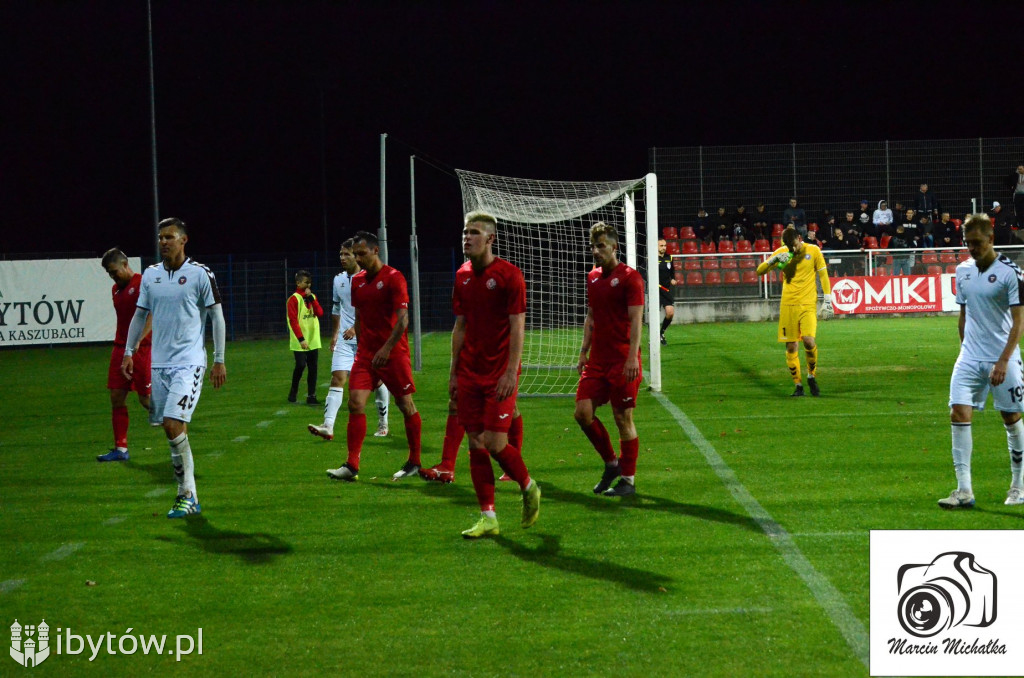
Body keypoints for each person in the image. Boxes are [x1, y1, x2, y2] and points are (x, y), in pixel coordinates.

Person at [442, 211, 539, 538]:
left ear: (490, 239)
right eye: (464, 232)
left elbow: (517, 326)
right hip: (469, 372)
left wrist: (512, 370)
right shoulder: (462, 276)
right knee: (475, 442)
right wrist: (453, 372)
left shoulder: (509, 275)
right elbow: (460, 325)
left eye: (473, 233)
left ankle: (528, 487)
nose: (466, 238)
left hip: (499, 372)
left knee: (497, 443)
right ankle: (488, 517)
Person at [121, 218, 226, 518]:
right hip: (159, 364)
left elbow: (217, 317)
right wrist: (130, 352)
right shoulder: (151, 276)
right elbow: (140, 316)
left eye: (169, 237)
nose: (163, 242)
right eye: (160, 238)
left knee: (171, 423)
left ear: (184, 240)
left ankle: (188, 494)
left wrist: (219, 358)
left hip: (189, 362)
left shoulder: (200, 274)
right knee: (173, 428)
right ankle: (186, 494)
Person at [939, 214, 1024, 509]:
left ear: (991, 239)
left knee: (1011, 418)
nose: (972, 248)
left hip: (1003, 358)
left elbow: (1018, 322)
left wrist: (1002, 361)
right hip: (969, 357)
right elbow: (964, 314)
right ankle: (964, 491)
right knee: (958, 414)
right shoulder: (962, 271)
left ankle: (1018, 485)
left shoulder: (1010, 273)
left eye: (977, 243)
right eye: (968, 243)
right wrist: (965, 350)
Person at [325, 231, 421, 482]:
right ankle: (351, 466)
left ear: (376, 251)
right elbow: (359, 316)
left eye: (362, 254)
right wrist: (360, 341)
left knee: (405, 405)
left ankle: (414, 461)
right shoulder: (358, 282)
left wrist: (386, 349)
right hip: (366, 355)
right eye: (355, 254)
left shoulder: (394, 278)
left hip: (393, 354)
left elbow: (403, 320)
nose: (358, 258)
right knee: (355, 403)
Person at [575, 222, 645, 497]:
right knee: (582, 413)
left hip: (622, 360)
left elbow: (637, 320)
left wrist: (632, 358)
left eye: (601, 246)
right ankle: (612, 464)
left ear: (615, 247)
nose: (595, 251)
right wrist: (583, 351)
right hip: (598, 361)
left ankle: (628, 479)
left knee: (622, 417)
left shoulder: (631, 278)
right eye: (593, 246)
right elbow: (591, 316)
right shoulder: (592, 277)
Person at [308, 239, 389, 442]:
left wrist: (356, 328)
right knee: (337, 378)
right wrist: (335, 333)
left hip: (368, 338)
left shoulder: (370, 279)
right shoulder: (338, 280)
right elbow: (337, 308)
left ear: (357, 255)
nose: (342, 258)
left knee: (377, 381)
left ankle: (383, 422)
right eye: (341, 254)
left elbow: (376, 310)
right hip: (345, 339)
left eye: (347, 254)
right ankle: (328, 425)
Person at [755, 226, 832, 397]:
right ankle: (798, 385)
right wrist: (772, 261)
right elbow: (759, 271)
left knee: (809, 341)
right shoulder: (783, 252)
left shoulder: (813, 250)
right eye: (789, 247)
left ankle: (811, 376)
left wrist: (828, 299)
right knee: (791, 347)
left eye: (794, 245)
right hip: (788, 305)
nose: (793, 249)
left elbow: (823, 275)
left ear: (799, 237)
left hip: (807, 304)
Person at [97, 248, 152, 462]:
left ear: (126, 264)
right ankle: (121, 449)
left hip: (141, 350)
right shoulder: (115, 289)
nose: (113, 276)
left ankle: (177, 429)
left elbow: (151, 316)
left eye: (114, 271)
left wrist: (139, 341)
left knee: (146, 400)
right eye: (109, 273)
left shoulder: (142, 284)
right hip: (120, 349)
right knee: (116, 398)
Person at [286, 269, 323, 405]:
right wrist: (301, 339)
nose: (308, 285)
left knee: (313, 367)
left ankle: (311, 396)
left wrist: (312, 299)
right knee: (301, 365)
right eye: (305, 282)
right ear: (298, 283)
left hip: (313, 338)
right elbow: (293, 321)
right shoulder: (293, 299)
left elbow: (319, 312)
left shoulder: (312, 297)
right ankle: (294, 390)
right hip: (299, 339)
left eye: (310, 282)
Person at [656, 238, 675, 344]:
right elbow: (643, 272)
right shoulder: (652, 258)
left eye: (665, 245)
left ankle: (661, 333)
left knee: (670, 313)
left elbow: (672, 272)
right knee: (654, 315)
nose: (663, 247)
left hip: (665, 289)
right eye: (661, 245)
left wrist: (673, 279)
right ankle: (653, 337)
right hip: (655, 290)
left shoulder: (670, 258)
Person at [1009, 164, 1024, 230]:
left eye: (1021, 169)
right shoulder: (1015, 175)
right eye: (1018, 169)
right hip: (1017, 194)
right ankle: (1020, 225)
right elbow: (1009, 181)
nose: (1019, 170)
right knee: (1018, 211)